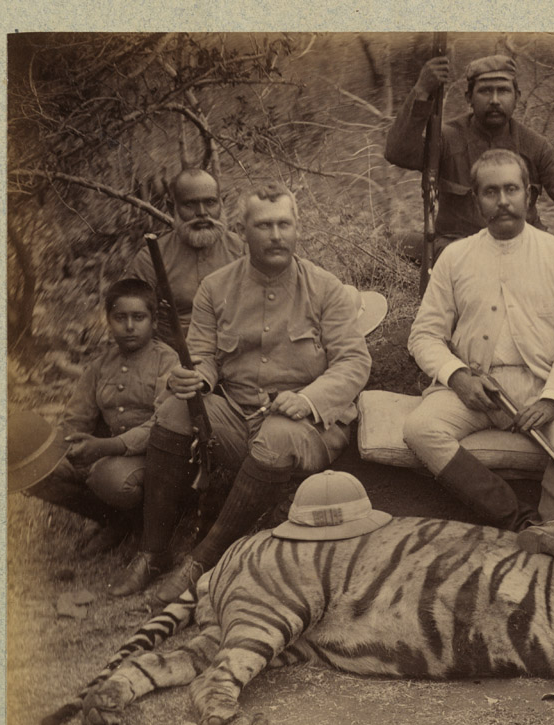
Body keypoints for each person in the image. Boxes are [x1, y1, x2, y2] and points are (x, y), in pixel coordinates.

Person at [116, 182, 371, 599]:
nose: (275, 235)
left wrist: (307, 399)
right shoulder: (216, 288)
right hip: (237, 416)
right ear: (242, 228)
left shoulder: (327, 289)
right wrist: (196, 377)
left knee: (277, 434)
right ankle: (153, 551)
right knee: (175, 409)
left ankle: (202, 561)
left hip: (309, 427)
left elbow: (355, 362)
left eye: (284, 224)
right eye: (264, 225)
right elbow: (202, 354)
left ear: (297, 228)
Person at [403, 149, 554, 568]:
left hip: (545, 384)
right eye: (490, 192)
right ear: (476, 199)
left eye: (511, 189)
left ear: (529, 195)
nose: (503, 201)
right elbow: (424, 335)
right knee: (421, 428)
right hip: (477, 388)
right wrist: (457, 376)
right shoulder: (455, 257)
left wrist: (553, 399)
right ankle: (518, 521)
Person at [384, 54, 554, 259]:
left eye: (503, 91)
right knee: (396, 242)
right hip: (460, 248)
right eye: (485, 91)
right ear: (469, 97)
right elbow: (397, 153)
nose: (495, 100)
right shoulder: (447, 138)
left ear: (517, 97)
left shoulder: (535, 146)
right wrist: (422, 90)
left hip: (521, 248)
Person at [19, 279, 179, 553]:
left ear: (153, 322)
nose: (129, 326)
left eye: (138, 317)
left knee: (110, 479)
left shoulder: (167, 361)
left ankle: (141, 526)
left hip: (153, 455)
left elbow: (163, 423)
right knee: (37, 471)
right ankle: (114, 521)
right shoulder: (100, 365)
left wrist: (104, 448)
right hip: (106, 452)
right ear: (108, 320)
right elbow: (76, 418)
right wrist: (64, 448)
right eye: (120, 318)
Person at [124, 168, 245, 344]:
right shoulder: (151, 258)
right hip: (173, 360)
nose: (202, 212)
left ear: (222, 203)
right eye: (190, 204)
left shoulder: (243, 251)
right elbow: (133, 322)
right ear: (171, 207)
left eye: (210, 202)